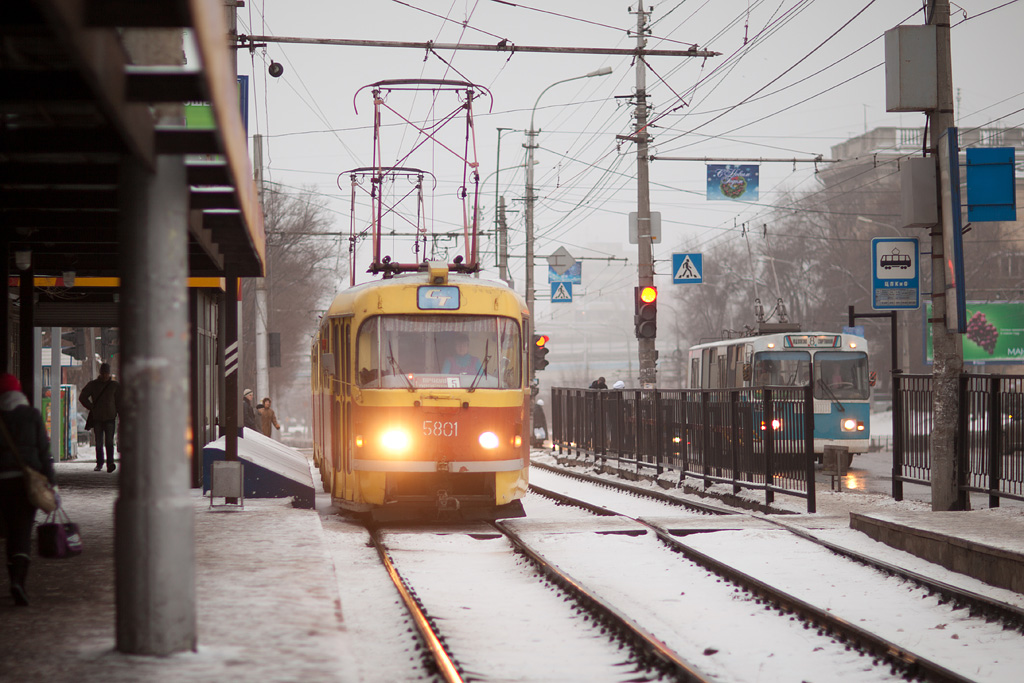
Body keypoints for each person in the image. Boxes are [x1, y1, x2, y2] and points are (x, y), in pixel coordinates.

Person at [0, 373, 57, 606]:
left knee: (9, 531)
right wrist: (51, 482)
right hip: (27, 483)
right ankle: (19, 582)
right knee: (22, 531)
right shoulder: (32, 415)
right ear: (19, 391)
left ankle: (13, 576)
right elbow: (44, 450)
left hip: (2, 483)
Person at [79, 362, 121, 473]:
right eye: (103, 373)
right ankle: (99, 463)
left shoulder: (114, 386)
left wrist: (120, 414)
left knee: (108, 442)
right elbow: (82, 397)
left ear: (109, 373)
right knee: (99, 442)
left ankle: (110, 463)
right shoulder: (93, 385)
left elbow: (119, 402)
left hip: (110, 418)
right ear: (100, 373)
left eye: (106, 373)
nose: (105, 375)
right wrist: (91, 407)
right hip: (98, 418)